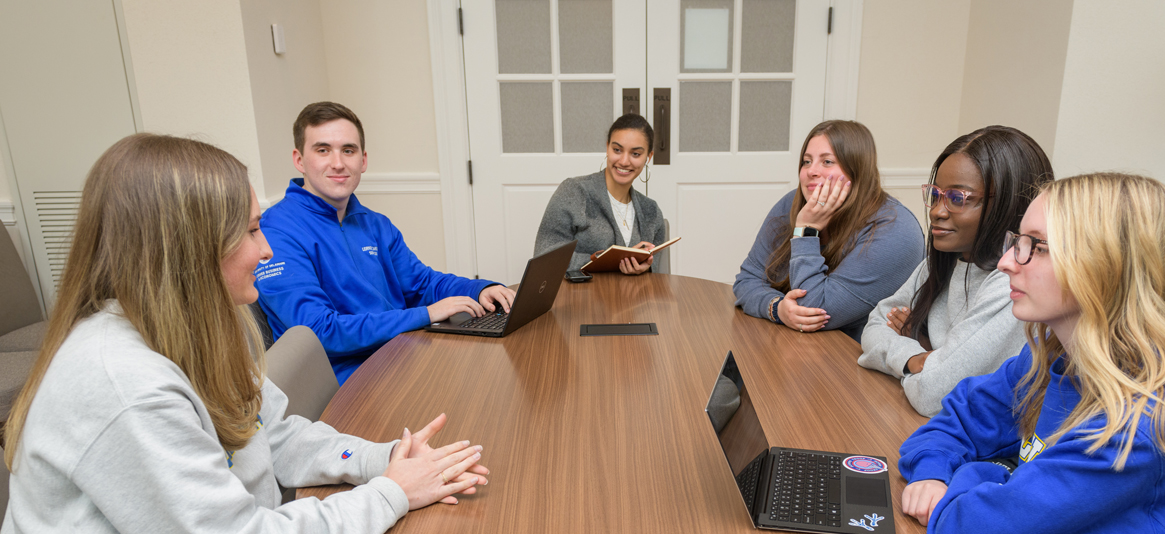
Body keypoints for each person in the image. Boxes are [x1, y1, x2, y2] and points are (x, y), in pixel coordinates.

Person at [1, 134, 490, 533]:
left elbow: (274, 434)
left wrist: (383, 458)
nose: (267, 249)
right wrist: (393, 492)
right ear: (189, 249)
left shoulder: (208, 324)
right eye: (253, 230)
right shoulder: (124, 384)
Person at [897, 173, 1165, 532]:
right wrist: (933, 472)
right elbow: (957, 421)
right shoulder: (1050, 358)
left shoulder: (1136, 427)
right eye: (1017, 241)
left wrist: (982, 471)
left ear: (1105, 268)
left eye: (1038, 247)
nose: (1006, 263)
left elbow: (971, 524)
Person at [255, 102, 516, 384]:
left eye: (348, 150)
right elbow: (318, 332)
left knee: (495, 371)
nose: (338, 163)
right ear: (299, 159)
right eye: (322, 150)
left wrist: (480, 290)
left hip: (402, 355)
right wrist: (425, 315)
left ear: (363, 160)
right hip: (346, 382)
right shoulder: (276, 232)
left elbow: (422, 284)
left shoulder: (374, 223)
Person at [859, 126, 1053, 417]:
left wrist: (920, 352)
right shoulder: (942, 261)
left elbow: (933, 393)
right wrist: (914, 356)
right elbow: (874, 326)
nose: (937, 210)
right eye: (935, 194)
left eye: (958, 198)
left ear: (1006, 205)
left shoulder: (1012, 284)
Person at [733, 120, 923, 340]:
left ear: (857, 171)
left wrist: (806, 230)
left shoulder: (896, 231)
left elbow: (815, 311)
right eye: (806, 161)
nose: (811, 171)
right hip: (796, 346)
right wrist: (777, 308)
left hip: (858, 362)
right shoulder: (793, 204)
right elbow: (747, 280)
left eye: (827, 161)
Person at [534, 113, 667, 274]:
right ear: (607, 147)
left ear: (648, 157)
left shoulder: (651, 212)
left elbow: (655, 278)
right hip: (577, 298)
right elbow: (544, 259)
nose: (624, 161)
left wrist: (645, 268)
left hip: (633, 299)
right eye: (617, 150)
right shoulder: (574, 192)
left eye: (636, 154)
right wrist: (610, 261)